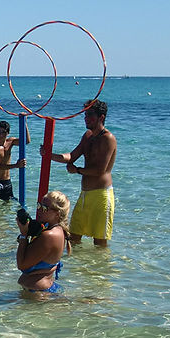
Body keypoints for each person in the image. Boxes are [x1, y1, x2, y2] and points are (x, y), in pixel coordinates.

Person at [43, 100, 116, 246]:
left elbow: (100, 170)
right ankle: (76, 267)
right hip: (85, 194)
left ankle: (100, 268)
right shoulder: (88, 136)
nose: (86, 118)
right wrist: (50, 155)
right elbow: (72, 155)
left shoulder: (108, 138)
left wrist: (77, 170)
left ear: (101, 117)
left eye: (90, 115)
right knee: (73, 237)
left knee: (99, 242)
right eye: (85, 115)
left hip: (101, 196)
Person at [16, 190, 71, 293]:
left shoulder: (49, 236)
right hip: (41, 290)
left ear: (57, 214)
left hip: (37, 293)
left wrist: (23, 235)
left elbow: (21, 264)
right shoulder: (58, 231)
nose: (39, 210)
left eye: (45, 208)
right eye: (39, 206)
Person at [0, 120, 28, 203]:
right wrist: (16, 165)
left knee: (7, 206)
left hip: (6, 181)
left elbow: (26, 141)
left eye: (3, 132)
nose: (0, 134)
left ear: (8, 133)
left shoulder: (10, 142)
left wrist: (24, 122)